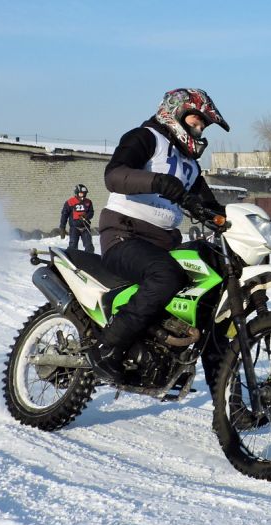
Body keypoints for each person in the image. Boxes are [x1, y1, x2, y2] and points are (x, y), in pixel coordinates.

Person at [91, 88, 229, 383]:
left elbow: (211, 207)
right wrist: (160, 182)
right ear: (176, 112)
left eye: (203, 126)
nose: (200, 129)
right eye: (196, 121)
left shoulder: (190, 166)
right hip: (123, 235)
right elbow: (113, 175)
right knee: (166, 275)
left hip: (164, 244)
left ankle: (226, 393)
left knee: (210, 282)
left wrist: (243, 219)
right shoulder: (146, 137)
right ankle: (108, 347)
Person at [59, 184, 95, 252]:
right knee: (73, 246)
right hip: (74, 228)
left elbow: (91, 213)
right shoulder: (70, 202)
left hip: (85, 227)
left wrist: (86, 216)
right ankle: (72, 257)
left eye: (84, 194)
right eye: (81, 194)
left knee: (89, 246)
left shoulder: (88, 202)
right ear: (76, 193)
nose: (83, 195)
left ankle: (89, 257)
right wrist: (62, 227)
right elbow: (64, 215)